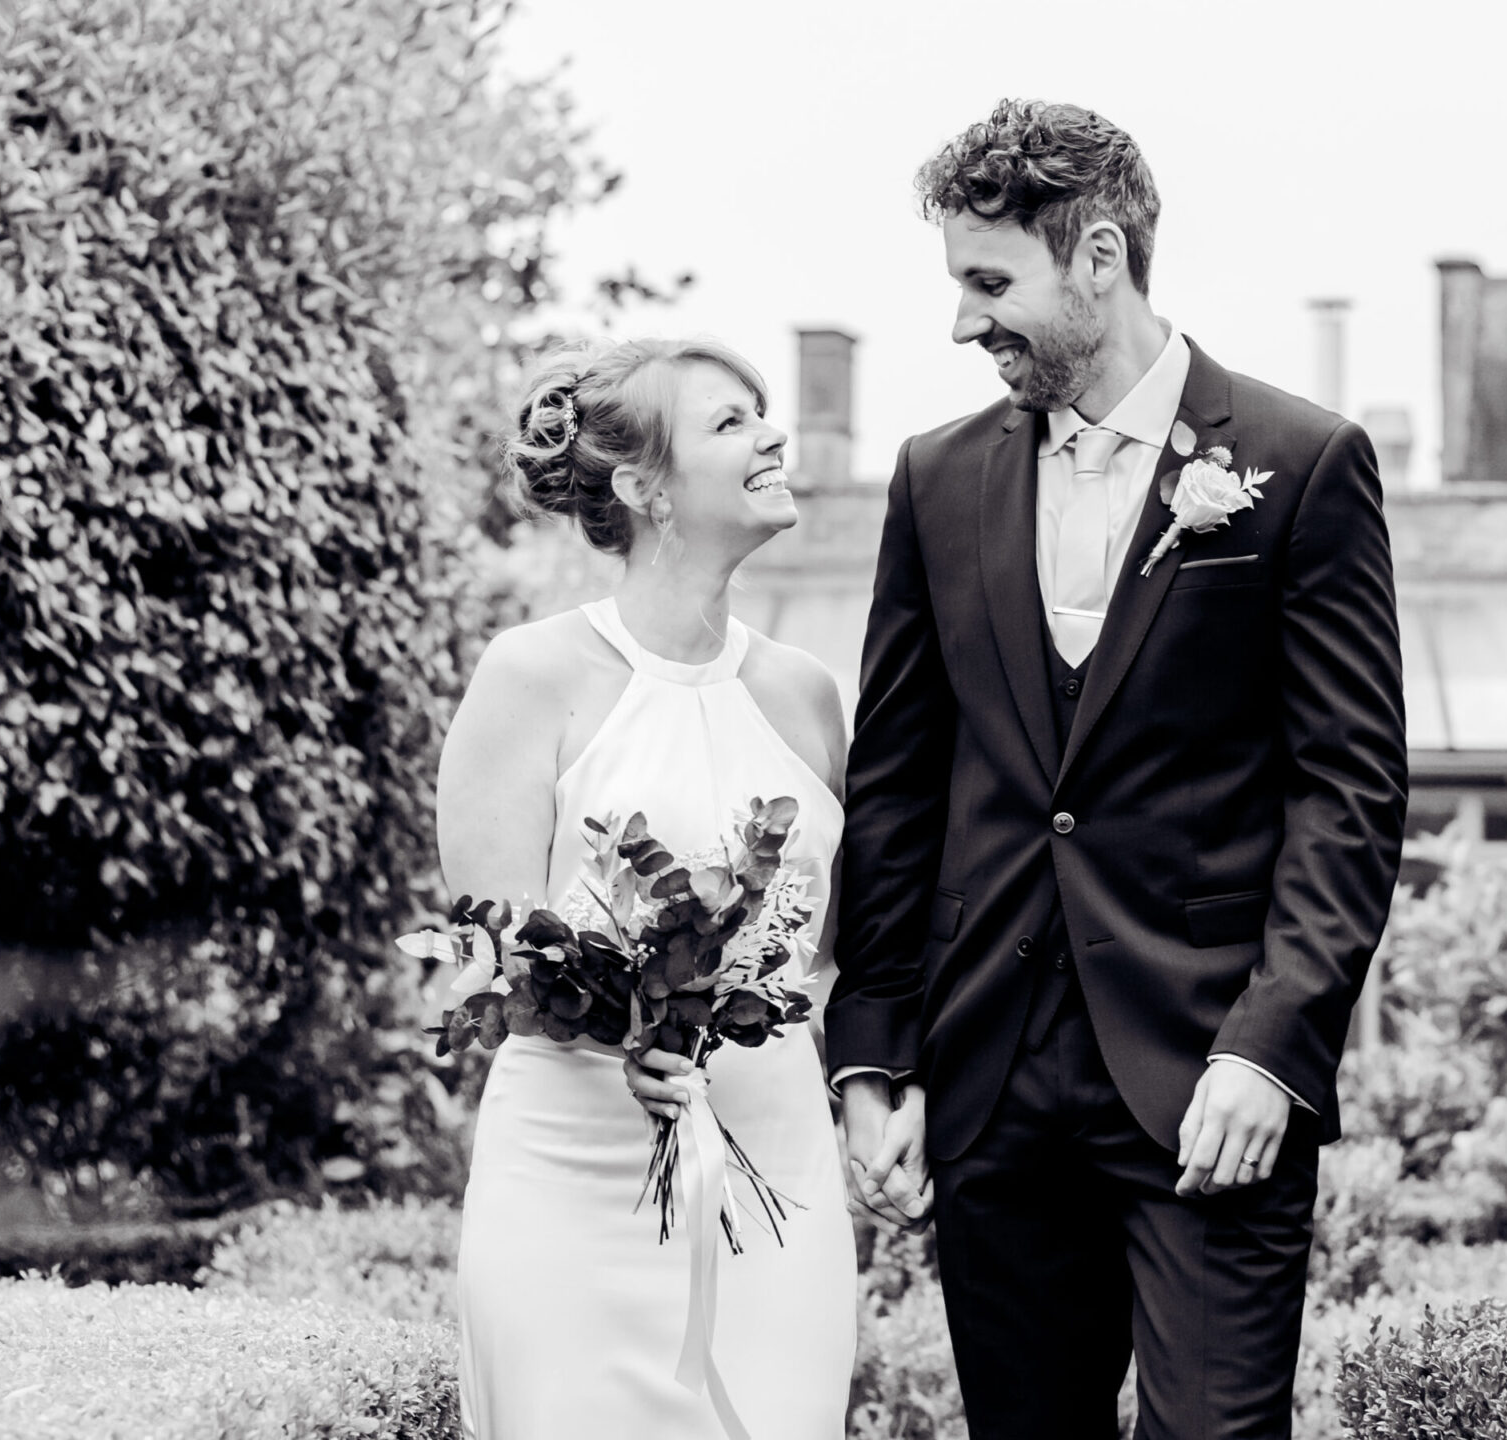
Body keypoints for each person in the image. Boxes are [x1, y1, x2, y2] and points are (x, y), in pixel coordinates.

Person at [827, 100, 1408, 1439]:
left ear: (1098, 256)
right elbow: (902, 783)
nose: (964, 325)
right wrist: (874, 1051)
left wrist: (1273, 1050)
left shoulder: (1301, 465)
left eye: (989, 284)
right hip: (991, 1073)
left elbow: (1350, 791)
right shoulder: (935, 480)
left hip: (1209, 1077)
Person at [440, 337, 856, 1439]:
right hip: (572, 1177)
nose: (772, 434)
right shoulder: (529, 678)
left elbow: (837, 950)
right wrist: (623, 1019)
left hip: (775, 1174)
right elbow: (487, 953)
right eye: (730, 422)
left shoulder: (807, 696)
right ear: (644, 487)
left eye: (765, 412)